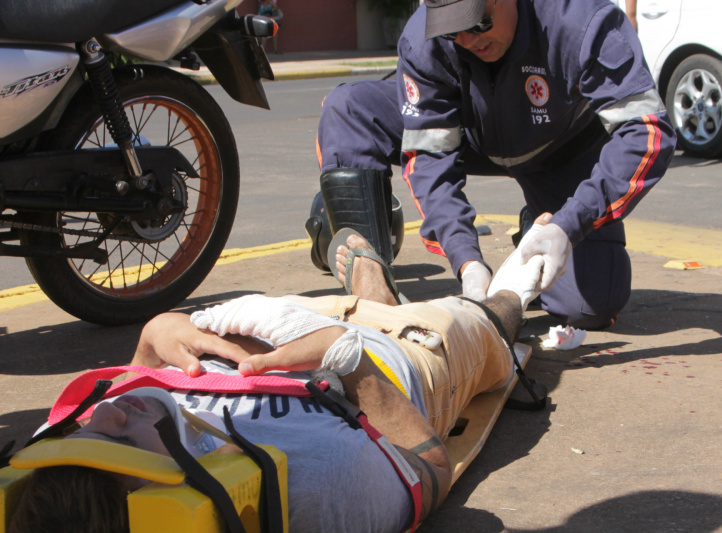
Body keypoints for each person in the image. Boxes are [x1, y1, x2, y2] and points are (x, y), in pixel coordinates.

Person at [8, 226, 544, 533]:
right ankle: (510, 284)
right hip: (401, 349)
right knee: (487, 317)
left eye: (79, 433)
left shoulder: (62, 477)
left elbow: (127, 394)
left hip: (262, 318)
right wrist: (348, 358)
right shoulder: (315, 488)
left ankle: (370, 288)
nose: (105, 410)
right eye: (119, 442)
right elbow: (431, 469)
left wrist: (152, 339)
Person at [313, 0, 676, 330]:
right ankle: (370, 282)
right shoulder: (425, 38)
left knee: (588, 308)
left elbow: (646, 133)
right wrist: (466, 261)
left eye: (480, 23)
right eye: (454, 29)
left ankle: (540, 221)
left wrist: (569, 224)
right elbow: (431, 159)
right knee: (348, 107)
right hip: (473, 136)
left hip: (563, 151)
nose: (469, 40)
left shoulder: (583, 20)